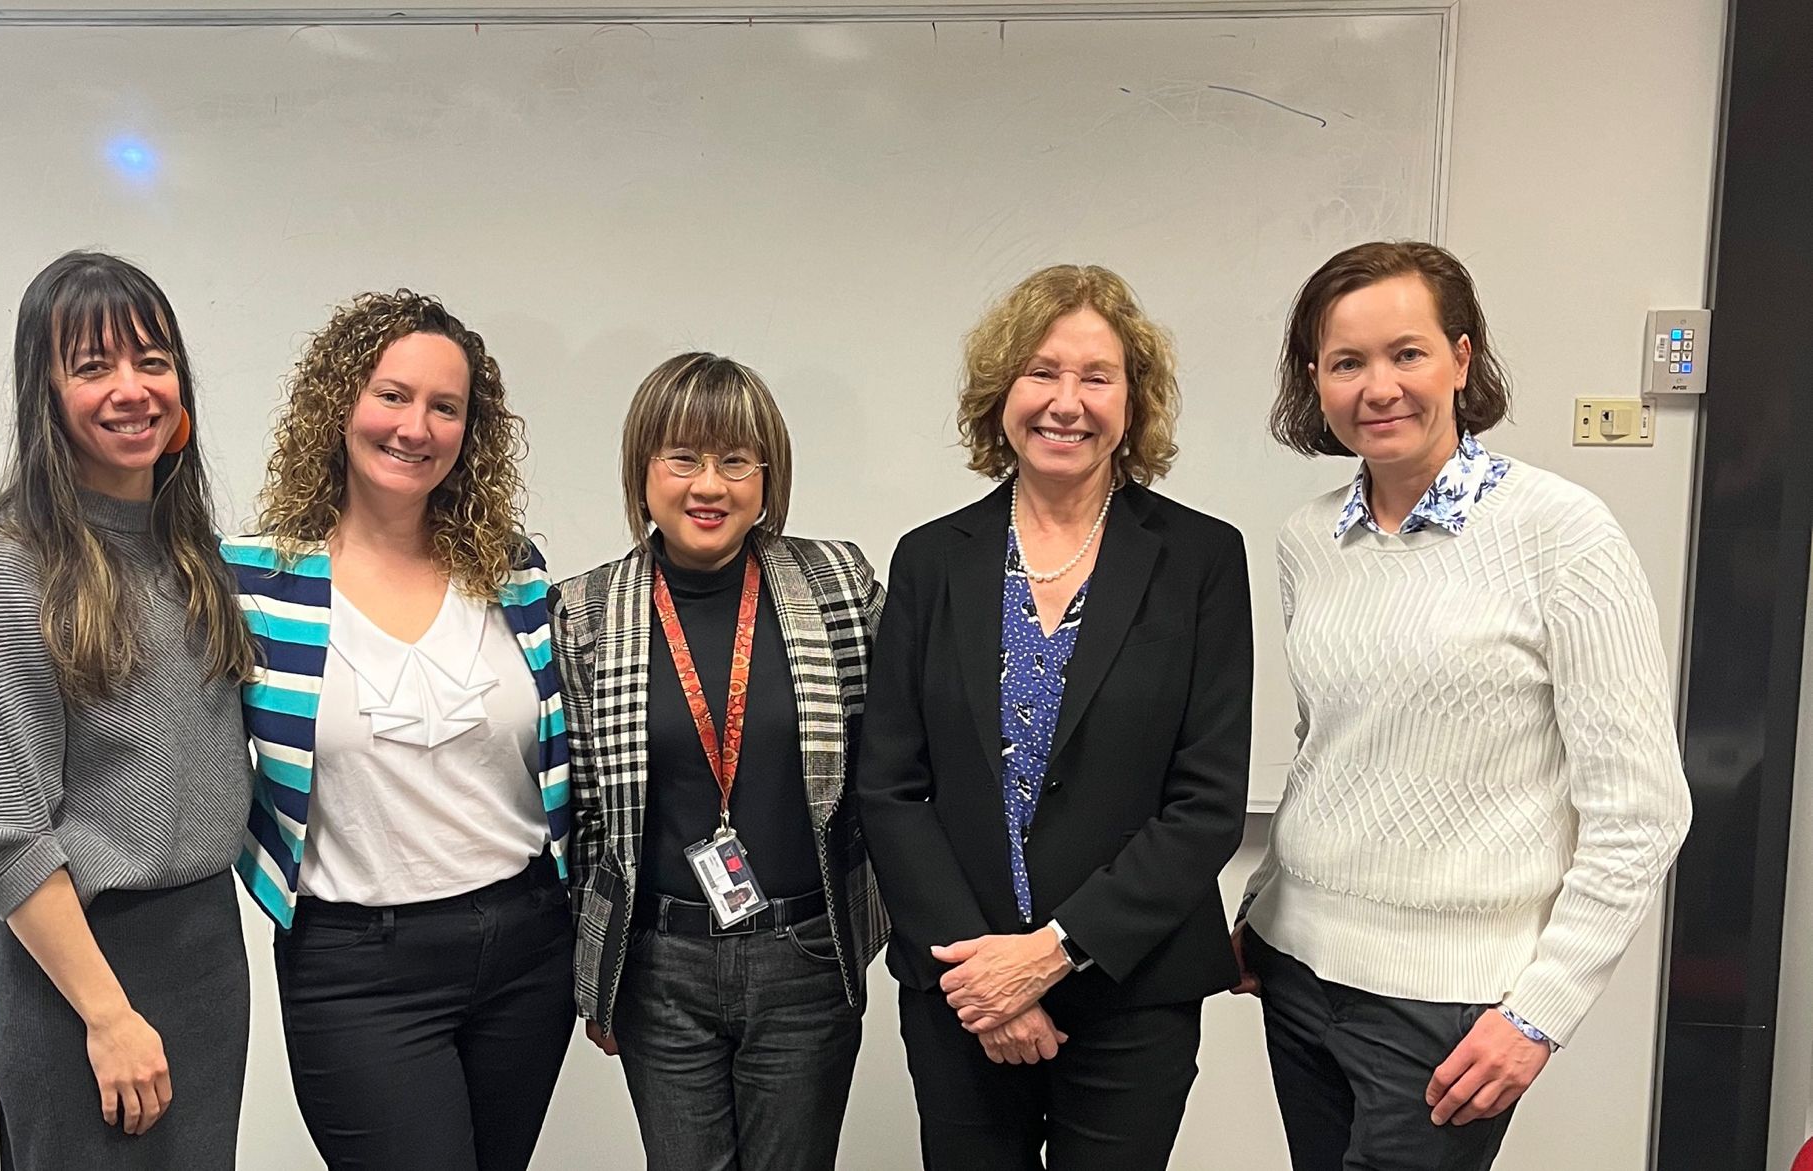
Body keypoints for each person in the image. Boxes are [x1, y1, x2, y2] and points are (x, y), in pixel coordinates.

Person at [1234, 240, 1693, 1170]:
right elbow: (1330, 742)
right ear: (1315, 380)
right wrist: (1262, 899)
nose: (1379, 387)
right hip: (1295, 968)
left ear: (1461, 359)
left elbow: (1642, 811)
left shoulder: (1562, 532)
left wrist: (1540, 1013)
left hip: (1445, 1006)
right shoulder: (1307, 539)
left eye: (1406, 353)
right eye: (1346, 362)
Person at [856, 264, 1252, 1170]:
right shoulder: (930, 558)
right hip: (963, 991)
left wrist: (1051, 954)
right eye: (1041, 372)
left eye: (1095, 377)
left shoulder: (1200, 558)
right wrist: (984, 976)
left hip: (1132, 988)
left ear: (1132, 400)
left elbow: (1205, 804)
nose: (1065, 402)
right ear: (1002, 392)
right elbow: (891, 786)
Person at [225, 291, 574, 1171]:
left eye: (444, 407)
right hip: (356, 968)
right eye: (391, 395)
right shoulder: (255, 584)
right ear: (339, 404)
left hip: (527, 949)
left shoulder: (514, 573)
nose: (415, 427)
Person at [0, 251, 256, 1169]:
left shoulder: (190, 554)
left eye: (152, 360)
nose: (131, 389)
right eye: (92, 366)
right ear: (46, 392)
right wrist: (108, 1015)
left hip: (204, 957)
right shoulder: (9, 564)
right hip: (82, 979)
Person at [553, 352, 888, 1170]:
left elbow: (896, 762)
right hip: (660, 967)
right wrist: (600, 971)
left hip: (807, 955)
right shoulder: (586, 610)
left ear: (767, 477)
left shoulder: (837, 585)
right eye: (683, 458)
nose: (710, 485)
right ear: (643, 473)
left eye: (736, 460)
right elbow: (582, 816)